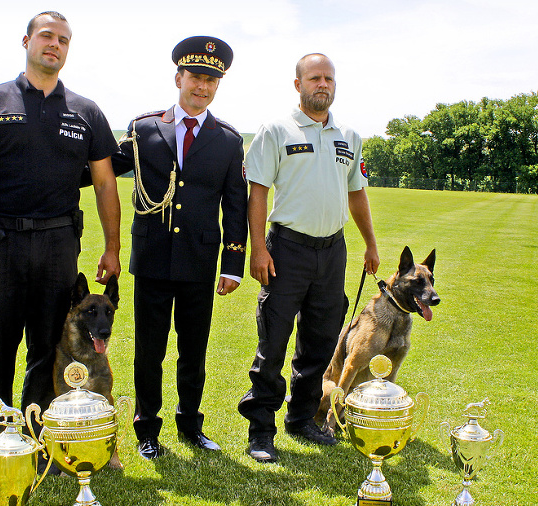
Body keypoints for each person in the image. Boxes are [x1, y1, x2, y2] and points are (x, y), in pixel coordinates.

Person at [0, 11, 121, 475]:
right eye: (47, 36)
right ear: (26, 40)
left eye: (64, 40)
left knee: (47, 351)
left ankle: (42, 440)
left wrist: (111, 248)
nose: (55, 45)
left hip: (58, 246)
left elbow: (105, 184)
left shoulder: (85, 112)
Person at [237, 53, 380, 463]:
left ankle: (302, 419)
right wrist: (259, 249)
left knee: (320, 344)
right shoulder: (275, 130)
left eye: (329, 79)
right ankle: (261, 430)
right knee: (274, 343)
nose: (323, 84)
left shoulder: (348, 136)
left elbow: (357, 193)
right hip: (287, 250)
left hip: (332, 251)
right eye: (315, 78)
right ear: (297, 84)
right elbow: (259, 192)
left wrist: (370, 243)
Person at [111, 36, 247, 460]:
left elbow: (235, 204)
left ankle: (191, 424)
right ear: (178, 78)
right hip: (152, 257)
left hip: (199, 260)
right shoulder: (144, 127)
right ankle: (147, 429)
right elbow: (105, 168)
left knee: (194, 349)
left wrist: (233, 264)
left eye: (211, 80)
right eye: (195, 77)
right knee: (148, 350)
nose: (202, 87)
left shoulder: (227, 139)